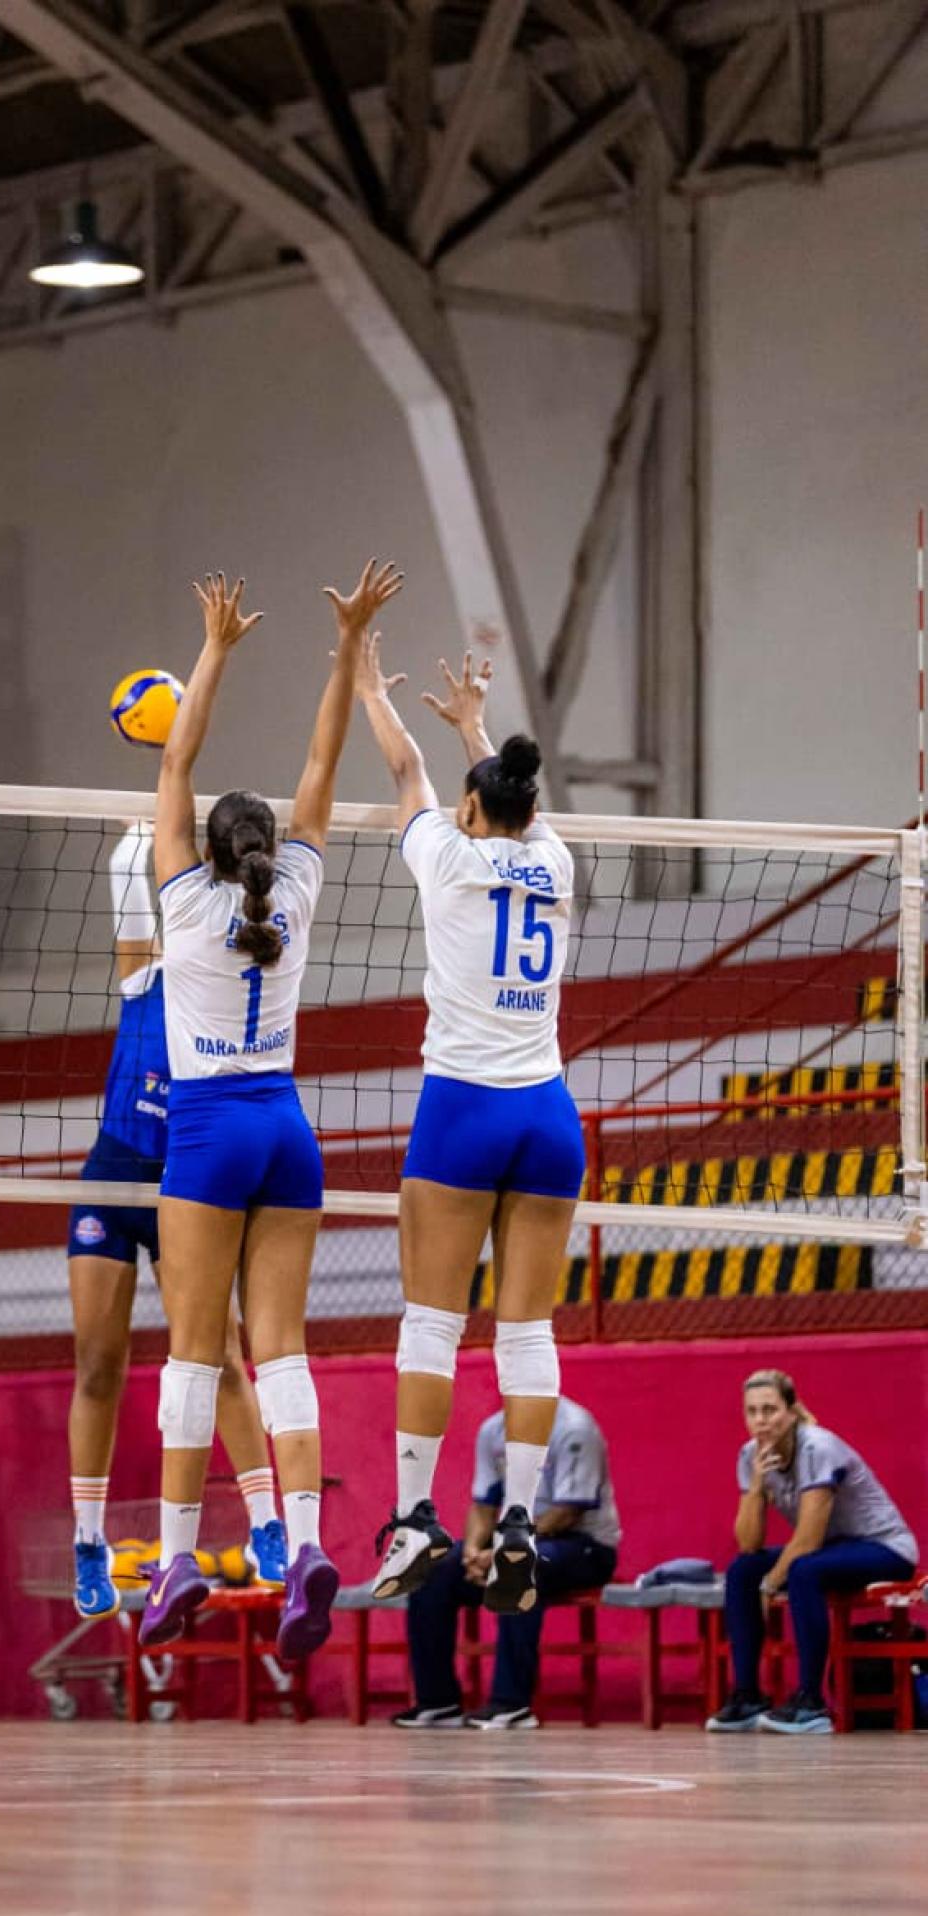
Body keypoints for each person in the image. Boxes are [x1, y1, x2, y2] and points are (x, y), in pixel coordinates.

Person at [143, 560, 404, 1660]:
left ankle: (170, 1562)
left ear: (206, 850)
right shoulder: (289, 892)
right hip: (287, 1131)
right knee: (283, 1352)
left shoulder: (182, 900)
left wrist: (213, 646)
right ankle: (301, 1545)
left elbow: (173, 754)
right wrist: (346, 645)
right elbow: (321, 758)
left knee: (194, 1357)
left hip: (205, 1130)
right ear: (266, 851)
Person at [356, 637, 584, 1615]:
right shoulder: (557, 863)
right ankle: (522, 1519)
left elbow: (405, 768)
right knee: (524, 1329)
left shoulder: (444, 858)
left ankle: (414, 1517)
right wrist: (479, 733)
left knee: (431, 1322)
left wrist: (366, 680)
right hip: (546, 1113)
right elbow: (514, 809)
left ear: (469, 811)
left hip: (460, 1109)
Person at [67, 821, 287, 1620]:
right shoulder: (147, 973)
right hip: (116, 1171)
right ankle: (89, 1537)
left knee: (220, 1352)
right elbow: (131, 874)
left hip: (186, 1181)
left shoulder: (226, 969)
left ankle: (267, 1521)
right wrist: (158, 806)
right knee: (98, 1361)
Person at [707, 1369, 918, 1735]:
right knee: (743, 1570)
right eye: (752, 1412)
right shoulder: (750, 1456)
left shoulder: (817, 1448)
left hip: (883, 1547)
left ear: (791, 1411)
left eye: (769, 1410)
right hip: (833, 1549)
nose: (760, 1421)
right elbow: (749, 1543)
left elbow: (806, 1540)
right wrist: (756, 1486)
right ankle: (747, 1696)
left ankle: (811, 1701)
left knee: (803, 1570)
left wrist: (769, 1585)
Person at [394, 1395, 620, 1730]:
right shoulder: (493, 1431)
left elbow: (568, 1513)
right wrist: (472, 1550)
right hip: (509, 1540)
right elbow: (484, 1507)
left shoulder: (574, 1428)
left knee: (517, 1566)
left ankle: (510, 1703)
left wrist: (503, 1548)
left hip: (583, 1546)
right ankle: (438, 1701)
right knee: (434, 1568)